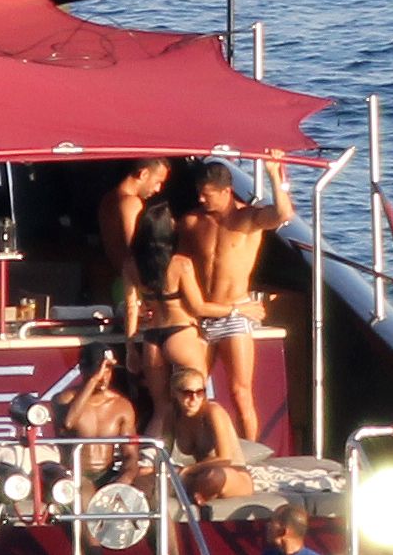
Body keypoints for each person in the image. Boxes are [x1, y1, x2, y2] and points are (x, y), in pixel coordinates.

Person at [178, 152, 293, 441]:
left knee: (240, 392)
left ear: (226, 192)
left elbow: (283, 215)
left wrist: (273, 175)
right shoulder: (192, 222)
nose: (201, 199)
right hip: (201, 313)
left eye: (207, 195)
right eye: (199, 193)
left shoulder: (248, 219)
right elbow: (179, 265)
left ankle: (250, 453)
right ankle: (197, 446)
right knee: (192, 388)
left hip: (237, 313)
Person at [123, 202, 265, 437]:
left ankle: (150, 455)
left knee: (162, 410)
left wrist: (130, 349)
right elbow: (199, 307)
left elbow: (130, 308)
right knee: (198, 404)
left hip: (152, 339)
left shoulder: (131, 265)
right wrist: (237, 310)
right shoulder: (180, 264)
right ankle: (206, 448)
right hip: (181, 335)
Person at [53, 342, 139, 504]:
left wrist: (125, 477)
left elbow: (130, 455)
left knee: (148, 492)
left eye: (108, 369)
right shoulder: (64, 399)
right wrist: (92, 381)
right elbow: (68, 423)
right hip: (74, 473)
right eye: (98, 369)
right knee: (85, 495)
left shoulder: (121, 406)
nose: (103, 376)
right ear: (82, 369)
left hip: (107, 473)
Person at [162, 367, 254, 505]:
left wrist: (189, 470)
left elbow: (225, 459)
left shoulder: (213, 411)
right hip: (199, 474)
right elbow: (163, 454)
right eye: (187, 393)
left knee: (213, 477)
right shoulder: (172, 414)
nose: (194, 399)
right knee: (147, 475)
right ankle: (194, 493)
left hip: (232, 474)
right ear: (174, 393)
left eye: (200, 392)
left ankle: (191, 493)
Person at [98, 157, 170, 302]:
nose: (158, 189)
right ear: (144, 174)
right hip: (133, 284)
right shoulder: (131, 202)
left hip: (117, 280)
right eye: (157, 182)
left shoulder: (109, 198)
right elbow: (135, 248)